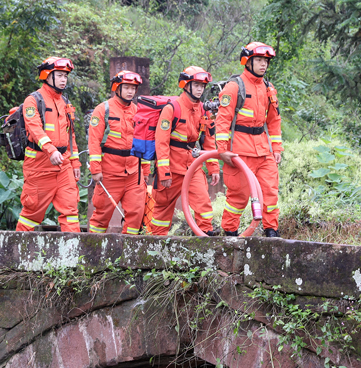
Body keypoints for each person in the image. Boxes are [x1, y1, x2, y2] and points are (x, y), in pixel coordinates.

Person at [214, 42, 283, 237]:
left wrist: (276, 148)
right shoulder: (234, 87)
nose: (263, 65)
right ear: (248, 61)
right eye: (259, 60)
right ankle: (230, 234)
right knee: (238, 196)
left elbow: (274, 121)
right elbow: (222, 121)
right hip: (239, 152)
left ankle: (271, 232)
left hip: (263, 150)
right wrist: (222, 150)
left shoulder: (269, 88)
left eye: (266, 61)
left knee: (270, 192)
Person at [149, 66, 220, 236]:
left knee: (203, 202)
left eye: (202, 86)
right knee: (162, 210)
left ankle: (206, 236)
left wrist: (213, 167)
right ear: (186, 85)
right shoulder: (172, 109)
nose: (200, 89)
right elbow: (162, 142)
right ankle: (156, 245)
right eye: (196, 85)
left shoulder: (204, 110)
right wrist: (164, 172)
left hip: (192, 166)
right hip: (171, 169)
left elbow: (209, 141)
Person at [15, 56, 82, 232]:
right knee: (31, 213)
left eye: (65, 76)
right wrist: (51, 151)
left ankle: (74, 255)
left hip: (64, 165)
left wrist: (75, 162)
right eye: (59, 75)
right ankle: (17, 254)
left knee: (70, 210)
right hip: (39, 165)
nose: (63, 80)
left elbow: (71, 135)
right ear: (47, 75)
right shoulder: (33, 100)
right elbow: (35, 129)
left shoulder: (65, 102)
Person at [87, 70, 146, 234]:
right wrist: (96, 169)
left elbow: (143, 143)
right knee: (101, 217)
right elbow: (94, 142)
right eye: (126, 87)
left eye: (133, 88)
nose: (130, 91)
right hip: (109, 173)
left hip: (134, 173)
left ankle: (129, 254)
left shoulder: (138, 112)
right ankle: (93, 253)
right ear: (117, 87)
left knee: (136, 215)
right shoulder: (103, 110)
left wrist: (145, 171)